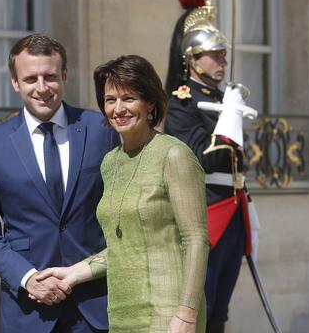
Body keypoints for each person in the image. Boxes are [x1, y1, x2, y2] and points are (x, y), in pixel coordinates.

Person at [34, 55, 210, 333]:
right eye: (110, 100)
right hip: (121, 314)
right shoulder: (110, 162)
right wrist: (74, 273)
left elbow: (197, 240)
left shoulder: (174, 154)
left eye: (128, 98)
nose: (118, 109)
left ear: (150, 103)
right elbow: (122, 246)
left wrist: (187, 313)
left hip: (168, 313)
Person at [0, 33, 119, 333]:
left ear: (64, 76)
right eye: (30, 78)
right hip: (28, 311)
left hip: (96, 308)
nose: (41, 88)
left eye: (49, 77)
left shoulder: (101, 130)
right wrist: (27, 278)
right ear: (15, 82)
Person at [163, 0, 261, 333]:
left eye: (222, 54)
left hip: (233, 209)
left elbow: (238, 162)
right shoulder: (182, 101)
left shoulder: (222, 97)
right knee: (201, 302)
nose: (222, 60)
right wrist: (229, 121)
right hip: (207, 212)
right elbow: (200, 159)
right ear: (192, 58)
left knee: (221, 307)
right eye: (214, 54)